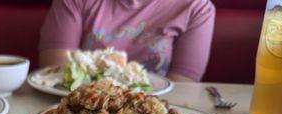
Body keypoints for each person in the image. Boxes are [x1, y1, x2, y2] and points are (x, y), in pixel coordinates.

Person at [39, 0, 216, 82]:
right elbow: (56, 71)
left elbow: (182, 86)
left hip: (154, 113)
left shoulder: (196, 8)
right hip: (77, 107)